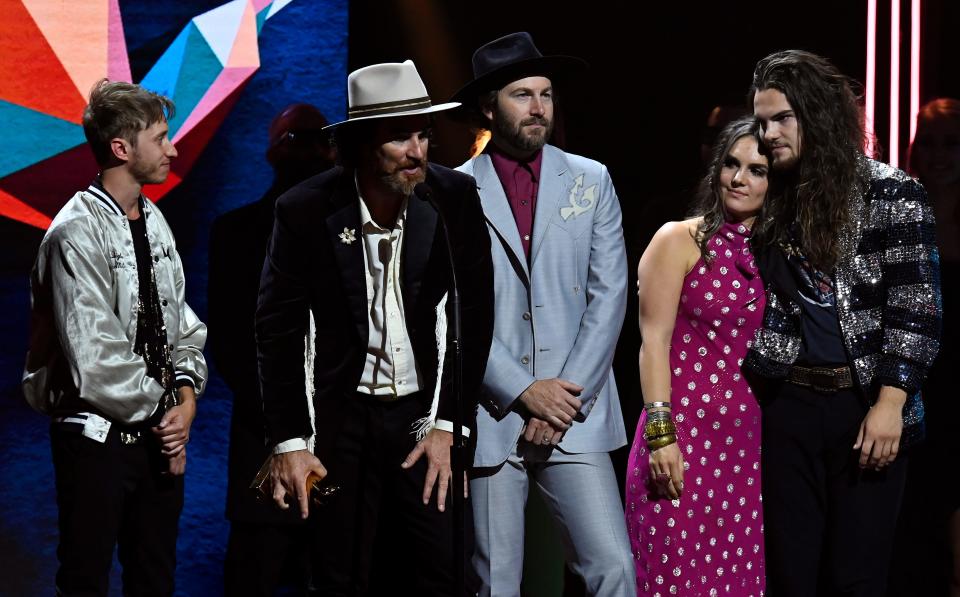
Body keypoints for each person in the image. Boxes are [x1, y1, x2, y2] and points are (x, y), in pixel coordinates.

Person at [255, 60, 494, 595]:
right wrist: (291, 439)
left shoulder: (451, 197)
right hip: (342, 418)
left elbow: (473, 316)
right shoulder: (305, 210)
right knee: (339, 574)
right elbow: (278, 329)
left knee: (441, 569)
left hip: (421, 417)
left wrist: (451, 426)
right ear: (364, 145)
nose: (418, 152)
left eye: (424, 134)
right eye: (399, 137)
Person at [744, 50, 941, 596]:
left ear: (818, 114)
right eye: (762, 121)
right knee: (791, 575)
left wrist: (890, 402)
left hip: (865, 405)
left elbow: (917, 307)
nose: (768, 133)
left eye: (781, 117)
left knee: (857, 577)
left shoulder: (892, 192)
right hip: (789, 405)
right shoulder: (774, 197)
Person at [452, 32, 634, 596]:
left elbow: (610, 295)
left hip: (575, 413)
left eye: (547, 94)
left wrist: (561, 399)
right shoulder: (452, 189)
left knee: (614, 567)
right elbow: (452, 310)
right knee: (495, 583)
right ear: (488, 106)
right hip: (492, 413)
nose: (539, 108)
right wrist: (524, 390)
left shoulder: (591, 178)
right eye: (522, 95)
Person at [22, 79, 207, 596]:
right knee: (86, 577)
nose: (173, 148)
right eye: (162, 138)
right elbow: (94, 356)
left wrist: (186, 399)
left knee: (155, 576)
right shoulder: (73, 233)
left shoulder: (154, 221)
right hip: (96, 443)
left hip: (155, 435)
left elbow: (181, 322)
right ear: (122, 149)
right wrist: (165, 416)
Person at [625, 116, 769, 596]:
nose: (738, 178)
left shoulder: (781, 254)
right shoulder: (678, 239)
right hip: (681, 443)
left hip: (749, 453)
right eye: (731, 163)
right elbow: (653, 343)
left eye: (756, 169)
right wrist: (662, 435)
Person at [209, 103, 336, 596]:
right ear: (275, 150)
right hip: (264, 434)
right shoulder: (237, 231)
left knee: (331, 565)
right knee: (258, 564)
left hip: (337, 434)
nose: (310, 149)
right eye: (298, 138)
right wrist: (288, 426)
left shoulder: (356, 231)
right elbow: (229, 342)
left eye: (318, 138)